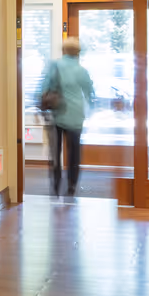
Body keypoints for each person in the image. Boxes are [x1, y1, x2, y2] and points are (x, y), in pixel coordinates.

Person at [37, 37, 96, 198]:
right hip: (76, 117)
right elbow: (90, 93)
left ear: (63, 50)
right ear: (78, 53)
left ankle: (56, 186)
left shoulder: (54, 66)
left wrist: (40, 105)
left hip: (57, 115)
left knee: (55, 153)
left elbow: (43, 87)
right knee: (74, 153)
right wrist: (91, 109)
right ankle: (71, 186)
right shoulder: (82, 71)